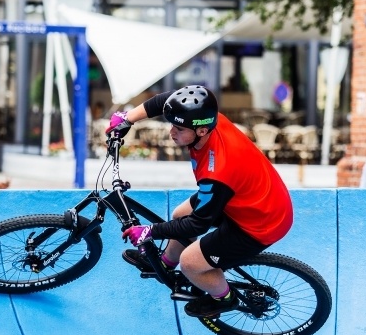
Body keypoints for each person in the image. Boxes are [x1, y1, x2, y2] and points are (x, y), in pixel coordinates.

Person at [106, 85, 294, 318]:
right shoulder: (207, 117)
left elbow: (198, 224)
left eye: (178, 128)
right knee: (179, 214)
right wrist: (128, 118)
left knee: (191, 262)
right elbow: (169, 100)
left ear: (201, 131)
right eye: (172, 125)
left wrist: (149, 232)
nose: (171, 133)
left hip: (262, 223)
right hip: (247, 198)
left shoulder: (218, 170)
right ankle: (165, 263)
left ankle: (225, 298)